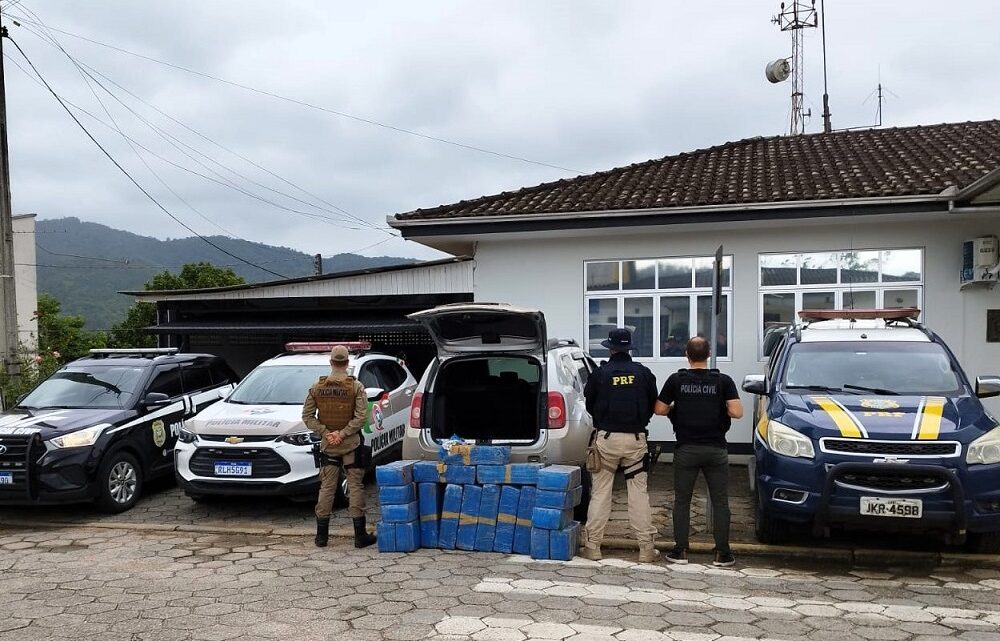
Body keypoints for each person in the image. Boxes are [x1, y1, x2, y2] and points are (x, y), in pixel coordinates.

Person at [654, 336, 743, 567]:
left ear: (687, 354)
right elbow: (737, 412)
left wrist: (679, 407)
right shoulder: (723, 381)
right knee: (720, 502)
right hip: (716, 450)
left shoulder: (677, 380)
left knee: (682, 501)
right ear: (709, 354)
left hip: (686, 450)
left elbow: (659, 409)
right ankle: (722, 554)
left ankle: (680, 551)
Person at [580, 328, 660, 563]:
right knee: (638, 494)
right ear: (629, 349)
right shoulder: (644, 373)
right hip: (636, 440)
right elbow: (652, 404)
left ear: (611, 348)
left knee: (601, 493)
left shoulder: (600, 374)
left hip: (607, 440)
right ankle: (646, 549)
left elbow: (589, 405)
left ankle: (593, 547)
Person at [302, 344, 377, 549]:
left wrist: (327, 433)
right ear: (347, 363)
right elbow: (361, 417)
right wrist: (343, 433)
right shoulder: (356, 386)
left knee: (326, 488)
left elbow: (307, 417)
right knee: (355, 486)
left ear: (331, 362)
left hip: (329, 446)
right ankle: (360, 536)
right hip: (351, 444)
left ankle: (321, 537)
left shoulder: (317, 387)